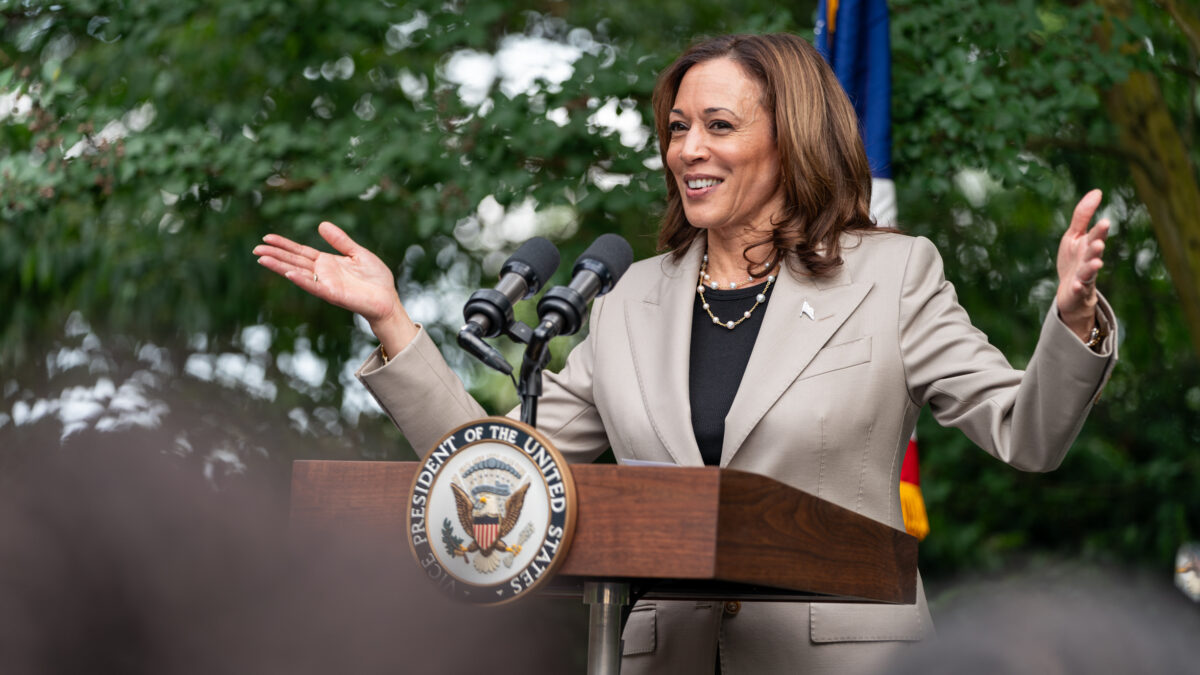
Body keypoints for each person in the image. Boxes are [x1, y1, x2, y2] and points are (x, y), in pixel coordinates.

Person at [254, 33, 1117, 675]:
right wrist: (396, 324)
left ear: (793, 137)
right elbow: (503, 473)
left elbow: (1025, 432)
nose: (687, 150)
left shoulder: (891, 276)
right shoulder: (629, 299)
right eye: (676, 128)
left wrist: (1072, 317)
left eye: (717, 125)